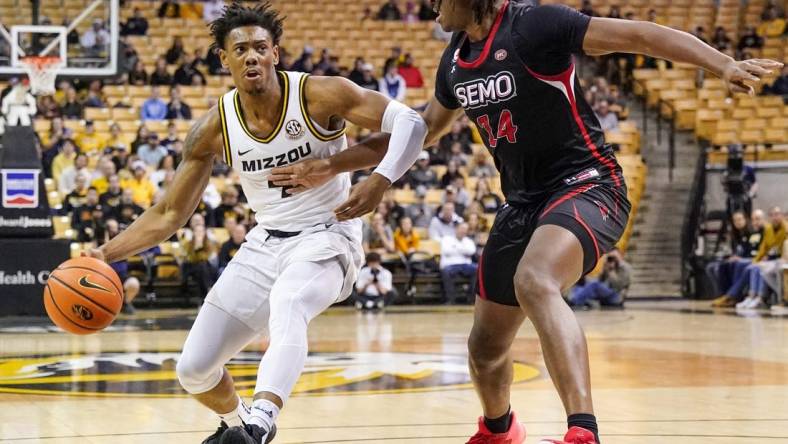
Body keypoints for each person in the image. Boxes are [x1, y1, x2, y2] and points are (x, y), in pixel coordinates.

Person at [272, 1, 782, 442]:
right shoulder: (455, 60)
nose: (431, 6)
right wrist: (336, 166)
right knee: (484, 348)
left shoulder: (535, 26)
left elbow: (639, 34)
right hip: (521, 204)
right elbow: (422, 129)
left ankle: (583, 430)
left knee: (535, 281)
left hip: (587, 182)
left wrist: (721, 63)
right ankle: (499, 430)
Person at [84, 4, 427, 444]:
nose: (252, 56)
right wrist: (104, 255)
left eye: (260, 48)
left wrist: (364, 176)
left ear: (275, 54)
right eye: (240, 48)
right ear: (223, 59)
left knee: (289, 301)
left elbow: (410, 124)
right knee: (194, 368)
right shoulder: (213, 128)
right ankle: (238, 426)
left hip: (328, 235)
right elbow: (170, 214)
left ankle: (261, 420)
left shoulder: (319, 94)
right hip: (265, 242)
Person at [440, 222, 477, 304]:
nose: (463, 231)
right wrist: (463, 250)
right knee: (446, 271)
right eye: (461, 229)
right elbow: (446, 251)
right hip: (450, 265)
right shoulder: (446, 239)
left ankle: (472, 298)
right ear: (456, 229)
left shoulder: (468, 241)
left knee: (478, 269)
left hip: (465, 265)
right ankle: (450, 299)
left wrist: (455, 248)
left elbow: (471, 251)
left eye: (465, 230)